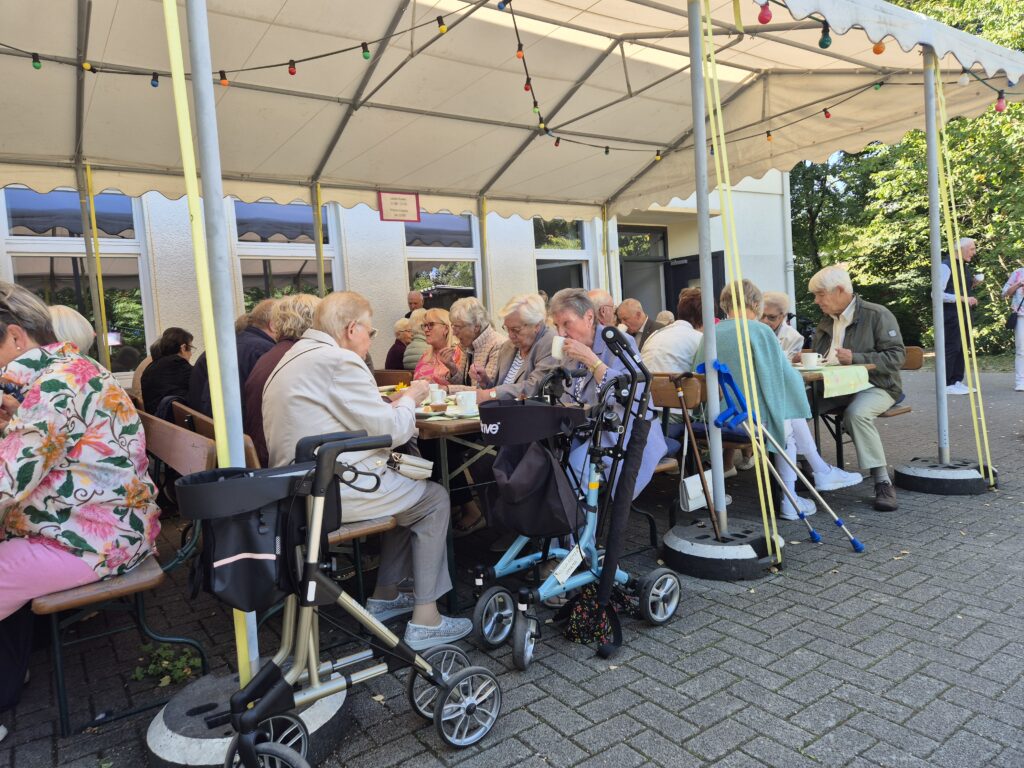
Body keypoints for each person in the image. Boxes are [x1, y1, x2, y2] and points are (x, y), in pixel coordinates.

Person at [261, 291, 471, 650]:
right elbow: (393, 432)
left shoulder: (294, 357)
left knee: (408, 491)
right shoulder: (339, 360)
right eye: (370, 332)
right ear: (351, 328)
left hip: (298, 487)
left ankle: (386, 594)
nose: (370, 340)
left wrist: (392, 404)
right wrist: (411, 398)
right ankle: (426, 619)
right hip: (332, 490)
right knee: (434, 498)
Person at [0, 282, 160, 718]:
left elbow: (8, 482)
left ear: (15, 336)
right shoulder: (70, 369)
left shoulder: (53, 386)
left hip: (96, 539)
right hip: (110, 525)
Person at [703, 280, 863, 520]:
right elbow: (783, 376)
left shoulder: (711, 332)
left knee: (785, 412)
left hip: (716, 414)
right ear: (755, 303)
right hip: (747, 418)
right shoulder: (759, 331)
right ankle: (793, 497)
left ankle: (820, 470)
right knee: (786, 415)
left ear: (724, 304)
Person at [549, 288, 666, 499]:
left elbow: (631, 393)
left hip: (621, 434)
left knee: (571, 472)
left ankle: (579, 520)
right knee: (544, 462)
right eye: (556, 326)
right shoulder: (570, 352)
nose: (561, 333)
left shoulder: (617, 342)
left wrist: (591, 361)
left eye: (566, 323)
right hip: (583, 433)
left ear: (589, 317)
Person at [809, 265, 905, 512]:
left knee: (856, 414)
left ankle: (882, 481)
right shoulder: (826, 320)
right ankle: (803, 468)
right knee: (795, 405)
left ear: (840, 290)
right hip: (834, 386)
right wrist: (807, 358)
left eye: (820, 294)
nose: (816, 301)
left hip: (877, 385)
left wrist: (856, 358)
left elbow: (897, 357)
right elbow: (821, 356)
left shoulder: (876, 314)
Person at [243, 294, 320, 467]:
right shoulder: (301, 357)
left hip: (263, 453)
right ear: (315, 321)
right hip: (285, 465)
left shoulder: (273, 354)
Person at [188, 298, 277, 416]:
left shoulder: (230, 344)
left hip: (206, 418)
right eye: (284, 323)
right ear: (272, 325)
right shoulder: (263, 350)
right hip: (231, 422)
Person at [474, 293, 558, 403]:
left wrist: (491, 394)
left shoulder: (551, 343)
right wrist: (485, 382)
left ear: (536, 326)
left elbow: (534, 387)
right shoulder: (508, 346)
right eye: (507, 329)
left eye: (516, 330)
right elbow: (501, 387)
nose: (510, 335)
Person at [940, 238, 982, 395]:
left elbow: (957, 287)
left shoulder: (963, 266)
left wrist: (973, 284)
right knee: (952, 347)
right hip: (951, 314)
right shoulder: (945, 266)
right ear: (960, 249)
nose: (974, 252)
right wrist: (964, 298)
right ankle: (946, 383)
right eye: (972, 249)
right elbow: (936, 294)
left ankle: (956, 380)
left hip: (964, 313)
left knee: (963, 347)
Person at [448, 297, 506, 388]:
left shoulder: (498, 345)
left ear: (476, 327)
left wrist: (448, 389)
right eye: (453, 326)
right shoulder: (469, 344)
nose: (454, 333)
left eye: (458, 327)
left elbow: (485, 390)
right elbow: (464, 384)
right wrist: (452, 368)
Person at [641, 287, 703, 374]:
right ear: (703, 319)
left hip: (643, 382)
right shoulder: (699, 338)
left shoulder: (654, 334)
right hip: (673, 382)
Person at [140, 327, 194, 414]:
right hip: (176, 421)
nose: (191, 354)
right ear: (183, 348)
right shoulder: (178, 364)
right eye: (190, 348)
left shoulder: (150, 368)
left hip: (157, 419)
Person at [413, 308, 462, 386]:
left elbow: (464, 385)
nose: (426, 329)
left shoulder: (458, 354)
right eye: (425, 325)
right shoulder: (426, 355)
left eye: (431, 325)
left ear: (446, 329)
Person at [761, 291, 804, 362]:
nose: (765, 321)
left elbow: (788, 364)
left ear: (783, 316)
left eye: (772, 317)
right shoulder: (750, 330)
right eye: (761, 315)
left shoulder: (794, 338)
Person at [1001, 263, 1024, 392]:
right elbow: (1004, 293)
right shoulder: (1018, 273)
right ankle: (1021, 381)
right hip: (1021, 316)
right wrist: (1019, 284)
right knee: (1021, 350)